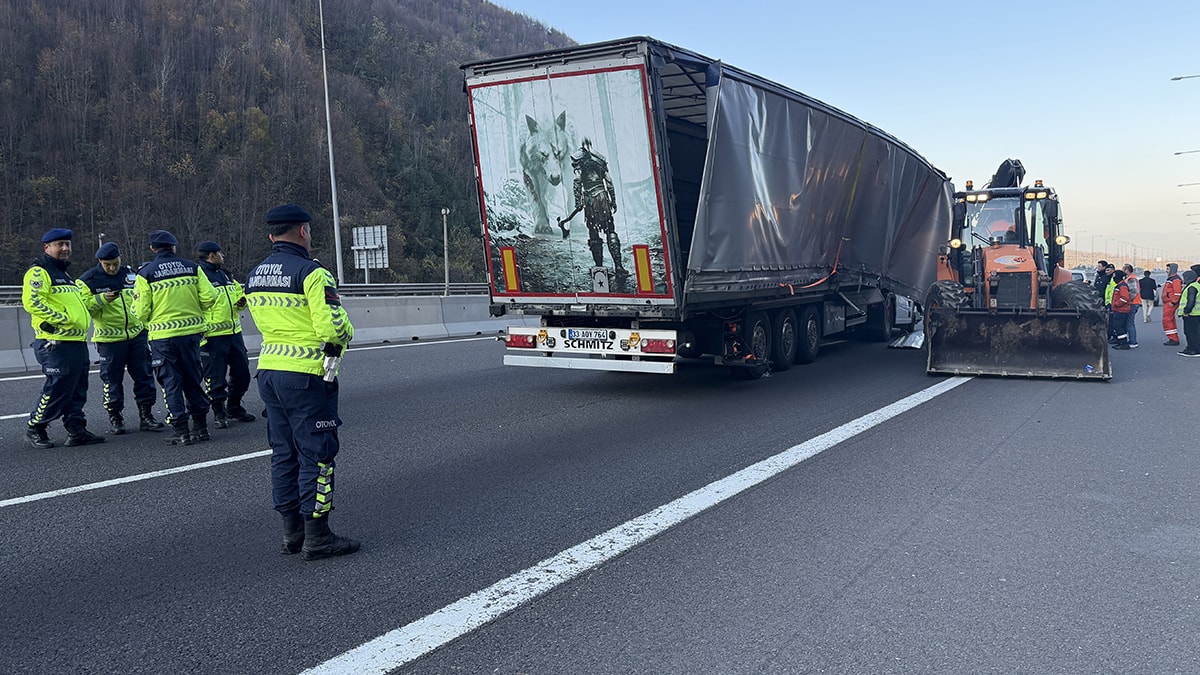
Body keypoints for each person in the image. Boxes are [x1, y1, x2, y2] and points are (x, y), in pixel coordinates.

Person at [245, 204, 359, 560]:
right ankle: (318, 536)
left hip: (268, 372)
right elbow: (332, 327)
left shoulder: (255, 275)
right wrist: (346, 334)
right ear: (303, 231)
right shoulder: (313, 274)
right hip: (307, 375)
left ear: (271, 235)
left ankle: (291, 533)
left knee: (283, 452)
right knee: (318, 454)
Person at [21, 228, 105, 448]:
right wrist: (64, 319)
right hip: (55, 342)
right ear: (47, 247)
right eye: (60, 244)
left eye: (67, 244)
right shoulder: (40, 272)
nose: (65, 248)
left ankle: (76, 428)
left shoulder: (65, 275)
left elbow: (79, 306)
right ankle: (35, 426)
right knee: (57, 387)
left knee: (77, 387)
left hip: (75, 342)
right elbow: (33, 302)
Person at [132, 230, 217, 445]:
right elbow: (210, 297)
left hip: (163, 337)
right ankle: (201, 428)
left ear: (153, 249)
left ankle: (181, 430)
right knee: (193, 380)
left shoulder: (146, 273)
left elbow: (141, 312)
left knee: (171, 383)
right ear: (174, 247)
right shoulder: (192, 267)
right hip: (191, 335)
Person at [77, 242, 166, 434]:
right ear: (100, 262)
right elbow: (81, 307)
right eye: (107, 264)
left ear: (120, 258)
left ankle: (146, 415)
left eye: (115, 263)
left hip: (137, 335)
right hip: (109, 340)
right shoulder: (88, 280)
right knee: (112, 380)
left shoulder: (131, 274)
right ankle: (115, 417)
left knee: (144, 376)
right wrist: (100, 299)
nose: (111, 268)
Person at [196, 241, 256, 428]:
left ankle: (234, 406)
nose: (224, 256)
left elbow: (239, 293)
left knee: (242, 373)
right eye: (221, 253)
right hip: (212, 336)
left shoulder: (225, 274)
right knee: (215, 377)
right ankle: (219, 412)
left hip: (234, 333)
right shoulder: (199, 276)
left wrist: (242, 301)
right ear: (211, 255)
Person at [570, 138, 624, 276]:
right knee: (610, 229)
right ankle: (618, 267)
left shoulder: (578, 159)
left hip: (590, 200)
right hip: (603, 198)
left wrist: (578, 201)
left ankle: (599, 268)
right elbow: (609, 182)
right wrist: (613, 200)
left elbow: (577, 180)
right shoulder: (599, 159)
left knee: (593, 232)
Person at [1177, 269, 1200, 357]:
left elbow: (1191, 300)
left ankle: (1192, 349)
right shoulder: (1197, 285)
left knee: (1189, 332)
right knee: (1196, 332)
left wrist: (1186, 311)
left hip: (1191, 314)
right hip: (1197, 313)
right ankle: (1196, 348)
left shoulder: (1191, 287)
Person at [1109, 269, 1134, 349]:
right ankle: (1121, 342)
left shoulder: (1122, 286)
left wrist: (1116, 304)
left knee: (1118, 326)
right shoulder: (1120, 285)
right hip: (1120, 310)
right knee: (1120, 327)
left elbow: (1125, 298)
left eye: (1114, 276)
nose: (1113, 278)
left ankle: (1123, 343)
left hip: (1121, 310)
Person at [1161, 263, 1183, 346]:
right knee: (1170, 320)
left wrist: (1173, 302)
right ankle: (1173, 337)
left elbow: (1177, 292)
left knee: (1167, 320)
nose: (1166, 271)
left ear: (1172, 269)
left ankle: (1173, 338)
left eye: (1168, 269)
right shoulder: (1172, 278)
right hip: (1169, 302)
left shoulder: (1175, 279)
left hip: (1170, 303)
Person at [1122, 264, 1139, 347]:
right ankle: (1132, 340)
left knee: (1129, 323)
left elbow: (1134, 291)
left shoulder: (1131, 278)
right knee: (1128, 322)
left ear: (1127, 270)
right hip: (1132, 303)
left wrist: (1128, 300)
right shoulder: (1128, 278)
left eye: (1123, 269)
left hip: (1132, 303)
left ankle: (1133, 341)